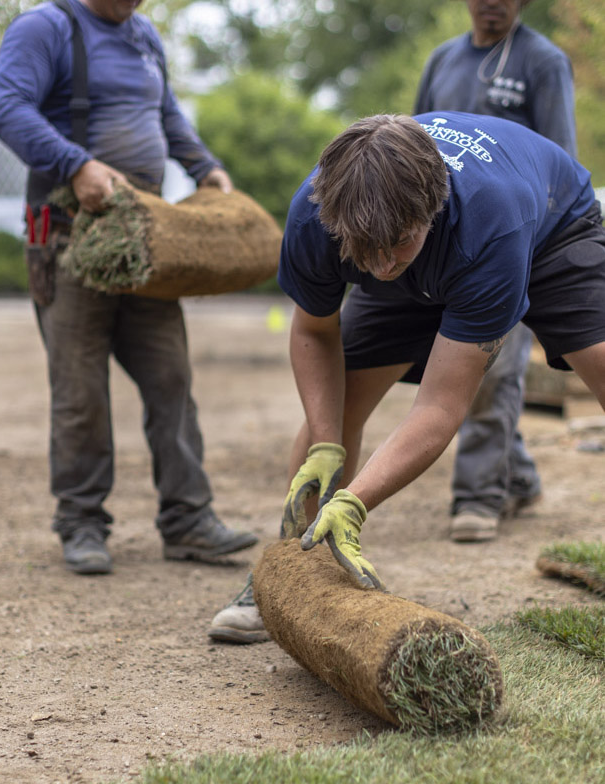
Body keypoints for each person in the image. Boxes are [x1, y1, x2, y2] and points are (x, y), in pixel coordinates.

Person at [209, 110, 604, 641]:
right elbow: (313, 333)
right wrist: (327, 444)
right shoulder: (320, 214)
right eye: (364, 250)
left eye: (397, 243)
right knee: (339, 405)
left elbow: (440, 408)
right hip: (423, 242)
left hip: (554, 228)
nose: (380, 266)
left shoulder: (491, 222)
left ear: (433, 208)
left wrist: (355, 503)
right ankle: (289, 572)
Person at [0, 0, 258, 574]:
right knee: (80, 388)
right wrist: (75, 164)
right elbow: (8, 109)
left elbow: (166, 115)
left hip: (145, 244)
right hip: (70, 241)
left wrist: (205, 166)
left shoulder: (144, 36)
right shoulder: (46, 28)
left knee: (171, 378)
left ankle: (188, 521)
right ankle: (82, 523)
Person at [414, 0, 577, 542]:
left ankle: (480, 496)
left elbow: (561, 158)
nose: (494, 4)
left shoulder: (542, 60)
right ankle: (521, 476)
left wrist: (533, 246)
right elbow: (412, 141)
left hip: (514, 237)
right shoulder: (443, 60)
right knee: (460, 369)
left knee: (499, 365)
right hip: (443, 241)